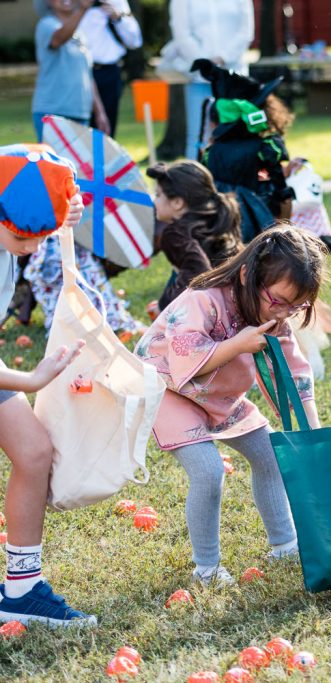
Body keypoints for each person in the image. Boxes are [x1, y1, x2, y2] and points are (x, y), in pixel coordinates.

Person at [135, 227, 326, 585]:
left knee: (271, 455)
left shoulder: (274, 316)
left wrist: (311, 433)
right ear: (246, 275)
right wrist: (239, 343)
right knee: (208, 471)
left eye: (296, 306)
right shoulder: (203, 300)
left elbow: (294, 376)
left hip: (218, 398)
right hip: (168, 390)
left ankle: (284, 543)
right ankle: (206, 568)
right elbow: (185, 360)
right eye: (279, 300)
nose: (285, 313)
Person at [0, 145, 94, 625]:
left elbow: (37, 160)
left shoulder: (15, 192)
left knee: (34, 452)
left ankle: (20, 590)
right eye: (22, 236)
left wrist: (66, 206)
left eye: (43, 235)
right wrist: (33, 379)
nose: (34, 247)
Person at [193, 59, 296, 242]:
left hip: (220, 229)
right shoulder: (265, 148)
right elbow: (282, 195)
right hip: (259, 228)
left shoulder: (211, 154)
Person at [146, 160, 242, 311]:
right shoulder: (212, 221)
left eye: (158, 195)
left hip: (213, 311)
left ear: (177, 202)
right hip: (237, 304)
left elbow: (198, 271)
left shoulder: (175, 233)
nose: (154, 201)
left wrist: (164, 306)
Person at [166, 0, 254, 158]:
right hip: (199, 79)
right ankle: (193, 181)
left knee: (238, 133)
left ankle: (235, 180)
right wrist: (205, 62)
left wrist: (223, 57)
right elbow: (181, 32)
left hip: (234, 77)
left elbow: (246, 31)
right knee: (198, 137)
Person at [31, 0, 110, 141]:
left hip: (80, 112)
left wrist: (100, 113)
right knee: (53, 162)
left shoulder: (81, 34)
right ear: (48, 2)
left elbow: (88, 76)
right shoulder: (46, 24)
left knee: (77, 163)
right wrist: (83, 9)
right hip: (52, 111)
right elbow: (58, 39)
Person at [79, 0, 142, 137]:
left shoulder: (115, 2)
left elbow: (135, 41)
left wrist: (118, 18)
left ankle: (103, 158)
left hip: (109, 72)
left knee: (106, 129)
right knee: (79, 129)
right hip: (79, 72)